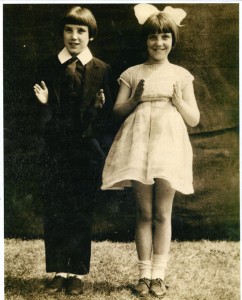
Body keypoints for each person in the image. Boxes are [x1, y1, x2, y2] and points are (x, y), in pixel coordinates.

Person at [101, 3, 200, 298]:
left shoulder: (181, 76)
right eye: (153, 37)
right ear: (145, 41)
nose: (159, 43)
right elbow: (117, 111)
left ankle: (159, 275)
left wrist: (177, 99)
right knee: (144, 213)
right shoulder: (132, 73)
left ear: (172, 40)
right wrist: (136, 99)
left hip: (168, 146)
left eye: (165, 37)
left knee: (162, 213)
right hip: (139, 146)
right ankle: (143, 274)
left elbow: (193, 118)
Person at [33, 6, 114, 295]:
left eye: (81, 31)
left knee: (81, 210)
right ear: (62, 33)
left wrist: (97, 110)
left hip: (86, 152)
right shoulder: (47, 65)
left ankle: (77, 272)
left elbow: (106, 121)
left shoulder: (101, 69)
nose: (74, 36)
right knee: (55, 208)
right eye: (69, 30)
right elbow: (37, 118)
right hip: (55, 149)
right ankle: (58, 269)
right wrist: (44, 106)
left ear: (91, 36)